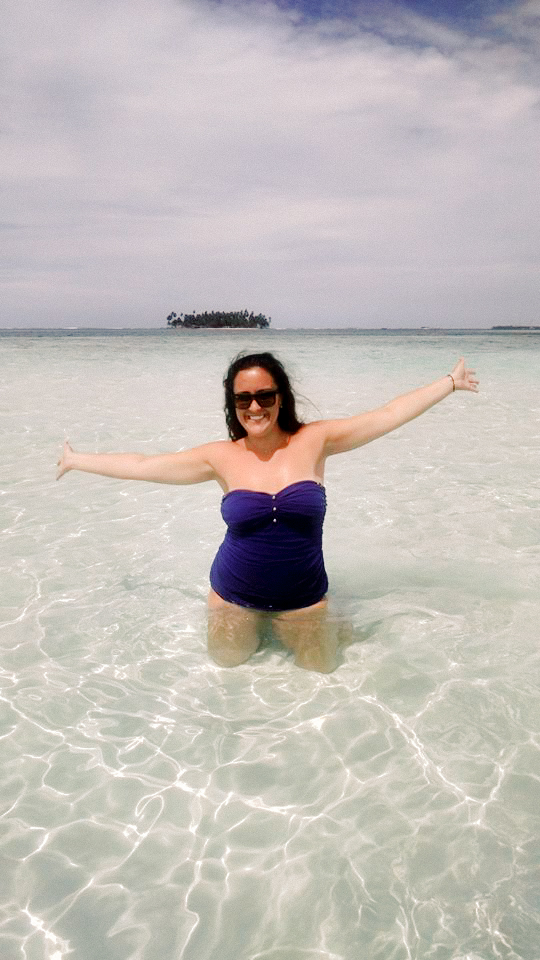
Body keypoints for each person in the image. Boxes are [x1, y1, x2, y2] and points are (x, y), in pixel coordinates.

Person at [57, 352, 478, 672]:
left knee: (322, 675)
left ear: (281, 398)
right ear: (232, 403)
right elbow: (143, 466)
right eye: (243, 398)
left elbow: (387, 415)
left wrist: (449, 383)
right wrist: (77, 460)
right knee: (228, 670)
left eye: (264, 396)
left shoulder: (316, 440)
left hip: (305, 601)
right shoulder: (219, 457)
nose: (254, 407)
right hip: (233, 598)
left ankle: (337, 624)